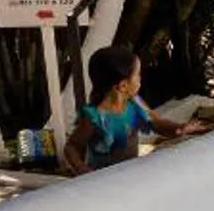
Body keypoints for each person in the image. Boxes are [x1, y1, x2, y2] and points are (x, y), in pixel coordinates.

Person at [63, 44, 160, 173]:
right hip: (106, 181)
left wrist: (181, 128)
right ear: (123, 86)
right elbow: (71, 147)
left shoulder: (133, 104)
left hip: (130, 175)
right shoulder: (94, 117)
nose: (140, 79)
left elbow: (156, 124)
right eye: (138, 75)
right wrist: (83, 170)